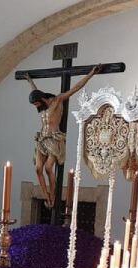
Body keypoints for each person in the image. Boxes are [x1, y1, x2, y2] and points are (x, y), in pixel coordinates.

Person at [24, 64, 100, 207]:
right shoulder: (42, 106)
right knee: (38, 169)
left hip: (54, 139)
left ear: (41, 99)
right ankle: (46, 195)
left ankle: (52, 195)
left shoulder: (57, 100)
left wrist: (91, 74)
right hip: (42, 139)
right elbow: (35, 90)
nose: (36, 106)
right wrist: (30, 81)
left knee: (48, 168)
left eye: (36, 103)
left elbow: (75, 88)